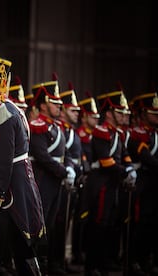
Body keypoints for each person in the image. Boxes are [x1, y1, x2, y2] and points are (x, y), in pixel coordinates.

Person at [0, 39, 45, 275]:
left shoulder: (0, 112)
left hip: (9, 191)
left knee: (3, 246)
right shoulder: (10, 107)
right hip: (18, 185)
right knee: (19, 244)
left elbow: (3, 163)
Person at [82, 89, 137, 275]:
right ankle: (92, 265)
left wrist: (129, 168)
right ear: (109, 114)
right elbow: (106, 161)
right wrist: (125, 172)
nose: (123, 116)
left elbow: (124, 155)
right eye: (119, 112)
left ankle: (104, 261)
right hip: (101, 183)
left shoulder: (118, 133)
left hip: (113, 181)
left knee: (110, 222)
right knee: (98, 222)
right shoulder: (101, 131)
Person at [28, 73, 76, 275]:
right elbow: (42, 156)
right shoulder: (38, 126)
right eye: (55, 103)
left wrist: (70, 167)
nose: (59, 106)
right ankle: (37, 263)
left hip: (56, 180)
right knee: (41, 223)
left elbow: (66, 154)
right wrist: (64, 171)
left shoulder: (56, 127)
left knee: (54, 223)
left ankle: (48, 263)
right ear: (44, 104)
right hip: (44, 179)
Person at [49, 83, 83, 274]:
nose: (76, 113)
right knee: (56, 223)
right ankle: (53, 261)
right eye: (72, 110)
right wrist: (66, 169)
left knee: (65, 223)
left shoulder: (70, 131)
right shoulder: (59, 129)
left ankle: (60, 259)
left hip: (70, 178)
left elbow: (71, 156)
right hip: (57, 179)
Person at [125, 92, 158, 275]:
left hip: (154, 183)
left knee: (152, 223)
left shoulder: (155, 134)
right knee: (139, 222)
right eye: (154, 113)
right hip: (142, 182)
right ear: (144, 114)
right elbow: (147, 158)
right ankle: (134, 260)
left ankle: (147, 258)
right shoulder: (138, 134)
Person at [74, 93, 100, 265]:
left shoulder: (93, 135)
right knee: (80, 218)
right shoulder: (80, 134)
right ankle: (77, 252)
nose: (96, 119)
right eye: (93, 116)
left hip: (93, 180)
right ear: (84, 118)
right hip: (83, 178)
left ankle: (84, 251)